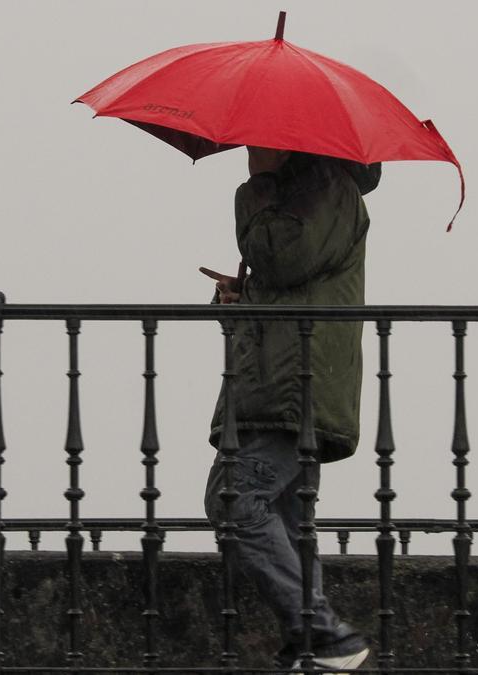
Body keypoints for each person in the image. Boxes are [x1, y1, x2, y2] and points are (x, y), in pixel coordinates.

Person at [201, 145, 381, 673]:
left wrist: (257, 184)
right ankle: (318, 645)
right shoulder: (306, 192)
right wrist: (242, 296)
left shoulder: (325, 188)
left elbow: (282, 256)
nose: (251, 147)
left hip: (296, 382)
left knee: (234, 496)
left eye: (259, 139)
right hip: (283, 380)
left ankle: (325, 635)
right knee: (287, 515)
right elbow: (287, 278)